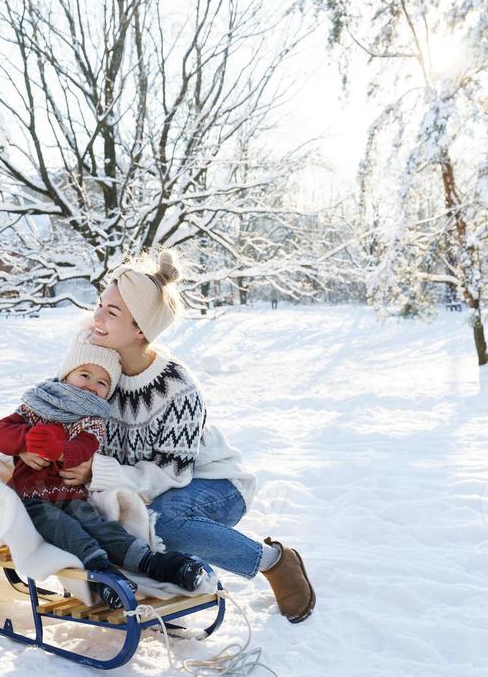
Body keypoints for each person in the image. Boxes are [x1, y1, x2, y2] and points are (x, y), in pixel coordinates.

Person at [57, 250, 316, 624]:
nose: (96, 318)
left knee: (159, 523)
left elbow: (172, 475)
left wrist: (97, 471)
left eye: (111, 313)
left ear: (140, 329)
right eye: (100, 305)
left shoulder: (175, 387)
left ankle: (275, 562)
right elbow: (58, 402)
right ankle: (154, 579)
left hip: (214, 483)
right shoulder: (96, 363)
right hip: (143, 489)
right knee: (112, 519)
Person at [0, 331, 206, 610]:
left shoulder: (91, 419)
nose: (92, 385)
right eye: (84, 375)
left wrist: (59, 449)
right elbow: (0, 434)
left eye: (102, 382)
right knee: (66, 529)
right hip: (31, 499)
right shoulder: (36, 406)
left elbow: (85, 448)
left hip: (73, 497)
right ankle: (101, 573)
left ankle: (154, 563)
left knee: (101, 527)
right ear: (67, 374)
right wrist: (25, 442)